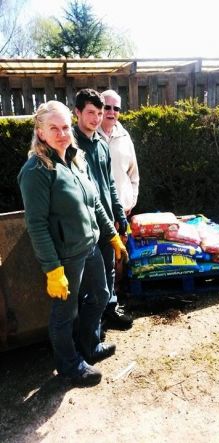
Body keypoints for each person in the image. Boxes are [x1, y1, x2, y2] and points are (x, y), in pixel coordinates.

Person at [17, 100, 128, 387]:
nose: (62, 133)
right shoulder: (36, 172)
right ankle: (69, 366)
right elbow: (37, 225)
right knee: (65, 313)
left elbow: (95, 205)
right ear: (40, 132)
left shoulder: (76, 159)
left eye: (65, 126)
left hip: (90, 247)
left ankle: (89, 346)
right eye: (53, 128)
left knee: (102, 296)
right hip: (66, 257)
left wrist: (111, 235)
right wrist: (53, 270)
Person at [74, 88, 133, 331]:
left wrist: (120, 216)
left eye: (99, 112)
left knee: (109, 270)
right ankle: (89, 327)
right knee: (88, 280)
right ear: (77, 112)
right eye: (91, 112)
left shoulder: (101, 144)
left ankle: (110, 310)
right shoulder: (70, 145)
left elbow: (109, 185)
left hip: (107, 221)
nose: (96, 118)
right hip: (85, 225)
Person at [98, 89, 139, 217]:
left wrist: (131, 201)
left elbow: (134, 174)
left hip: (122, 211)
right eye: (107, 107)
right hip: (98, 213)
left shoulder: (124, 136)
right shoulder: (89, 136)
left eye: (116, 108)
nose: (112, 112)